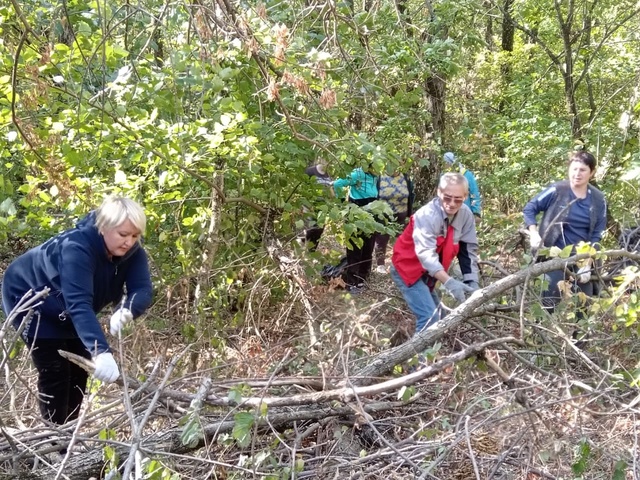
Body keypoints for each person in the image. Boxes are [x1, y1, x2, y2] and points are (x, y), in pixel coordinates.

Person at [1, 196, 153, 425]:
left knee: (79, 370)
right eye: (123, 234)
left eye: (135, 235)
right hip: (30, 299)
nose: (129, 242)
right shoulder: (76, 249)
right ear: (104, 227)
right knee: (56, 371)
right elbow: (79, 304)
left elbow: (141, 288)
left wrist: (127, 310)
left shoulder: (132, 253)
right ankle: (54, 441)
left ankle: (67, 436)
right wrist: (101, 350)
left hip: (68, 305)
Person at [391, 173, 480, 333]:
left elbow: (467, 251)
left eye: (458, 199)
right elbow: (425, 255)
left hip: (428, 273)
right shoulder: (427, 215)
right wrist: (449, 282)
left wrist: (473, 284)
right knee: (429, 320)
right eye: (447, 198)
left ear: (465, 196)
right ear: (439, 192)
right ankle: (420, 358)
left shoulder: (466, 215)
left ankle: (436, 356)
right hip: (407, 269)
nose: (452, 204)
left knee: (441, 316)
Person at [523, 150, 607, 313]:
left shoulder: (598, 199)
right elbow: (530, 208)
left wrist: (588, 263)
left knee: (584, 308)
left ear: (592, 172)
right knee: (547, 305)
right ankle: (540, 335)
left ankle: (580, 339)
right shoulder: (557, 190)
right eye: (574, 169)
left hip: (582, 260)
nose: (577, 174)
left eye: (582, 170)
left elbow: (597, 234)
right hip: (554, 257)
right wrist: (534, 233)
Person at [332, 166, 378, 292]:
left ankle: (362, 280)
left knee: (368, 247)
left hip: (371, 216)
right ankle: (351, 282)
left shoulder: (376, 175)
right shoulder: (357, 174)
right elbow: (337, 184)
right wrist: (342, 202)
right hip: (355, 214)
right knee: (355, 248)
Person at [373, 171, 415, 273]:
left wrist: (409, 213)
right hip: (383, 215)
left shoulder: (405, 176)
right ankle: (380, 265)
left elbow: (410, 195)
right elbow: (375, 195)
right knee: (381, 239)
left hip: (401, 214)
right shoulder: (379, 177)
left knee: (403, 240)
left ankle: (400, 264)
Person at [301, 160, 333, 251]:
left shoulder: (328, 174)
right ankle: (305, 251)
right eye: (326, 160)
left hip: (323, 206)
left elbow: (330, 188)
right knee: (311, 228)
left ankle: (312, 251)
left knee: (319, 229)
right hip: (310, 204)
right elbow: (304, 188)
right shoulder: (310, 171)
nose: (327, 162)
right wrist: (308, 205)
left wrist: (333, 201)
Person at [443, 152, 482, 218]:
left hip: (465, 213)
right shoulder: (444, 176)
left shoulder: (467, 175)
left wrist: (476, 212)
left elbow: (474, 194)